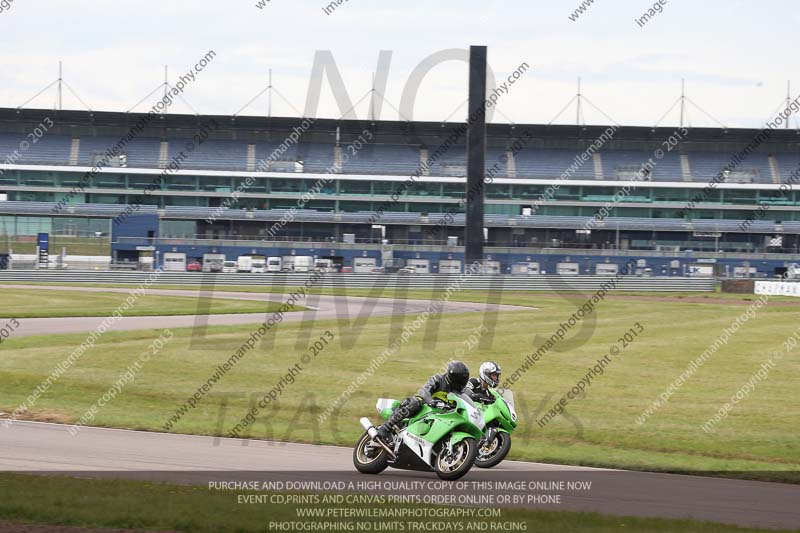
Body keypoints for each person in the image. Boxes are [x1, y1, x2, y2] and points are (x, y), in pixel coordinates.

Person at [376, 361, 470, 441]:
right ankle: (386, 427)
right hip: (425, 408)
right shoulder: (438, 379)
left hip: (440, 416)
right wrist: (431, 401)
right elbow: (424, 391)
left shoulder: (459, 393)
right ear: (453, 378)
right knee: (416, 402)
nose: (461, 384)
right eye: (460, 381)